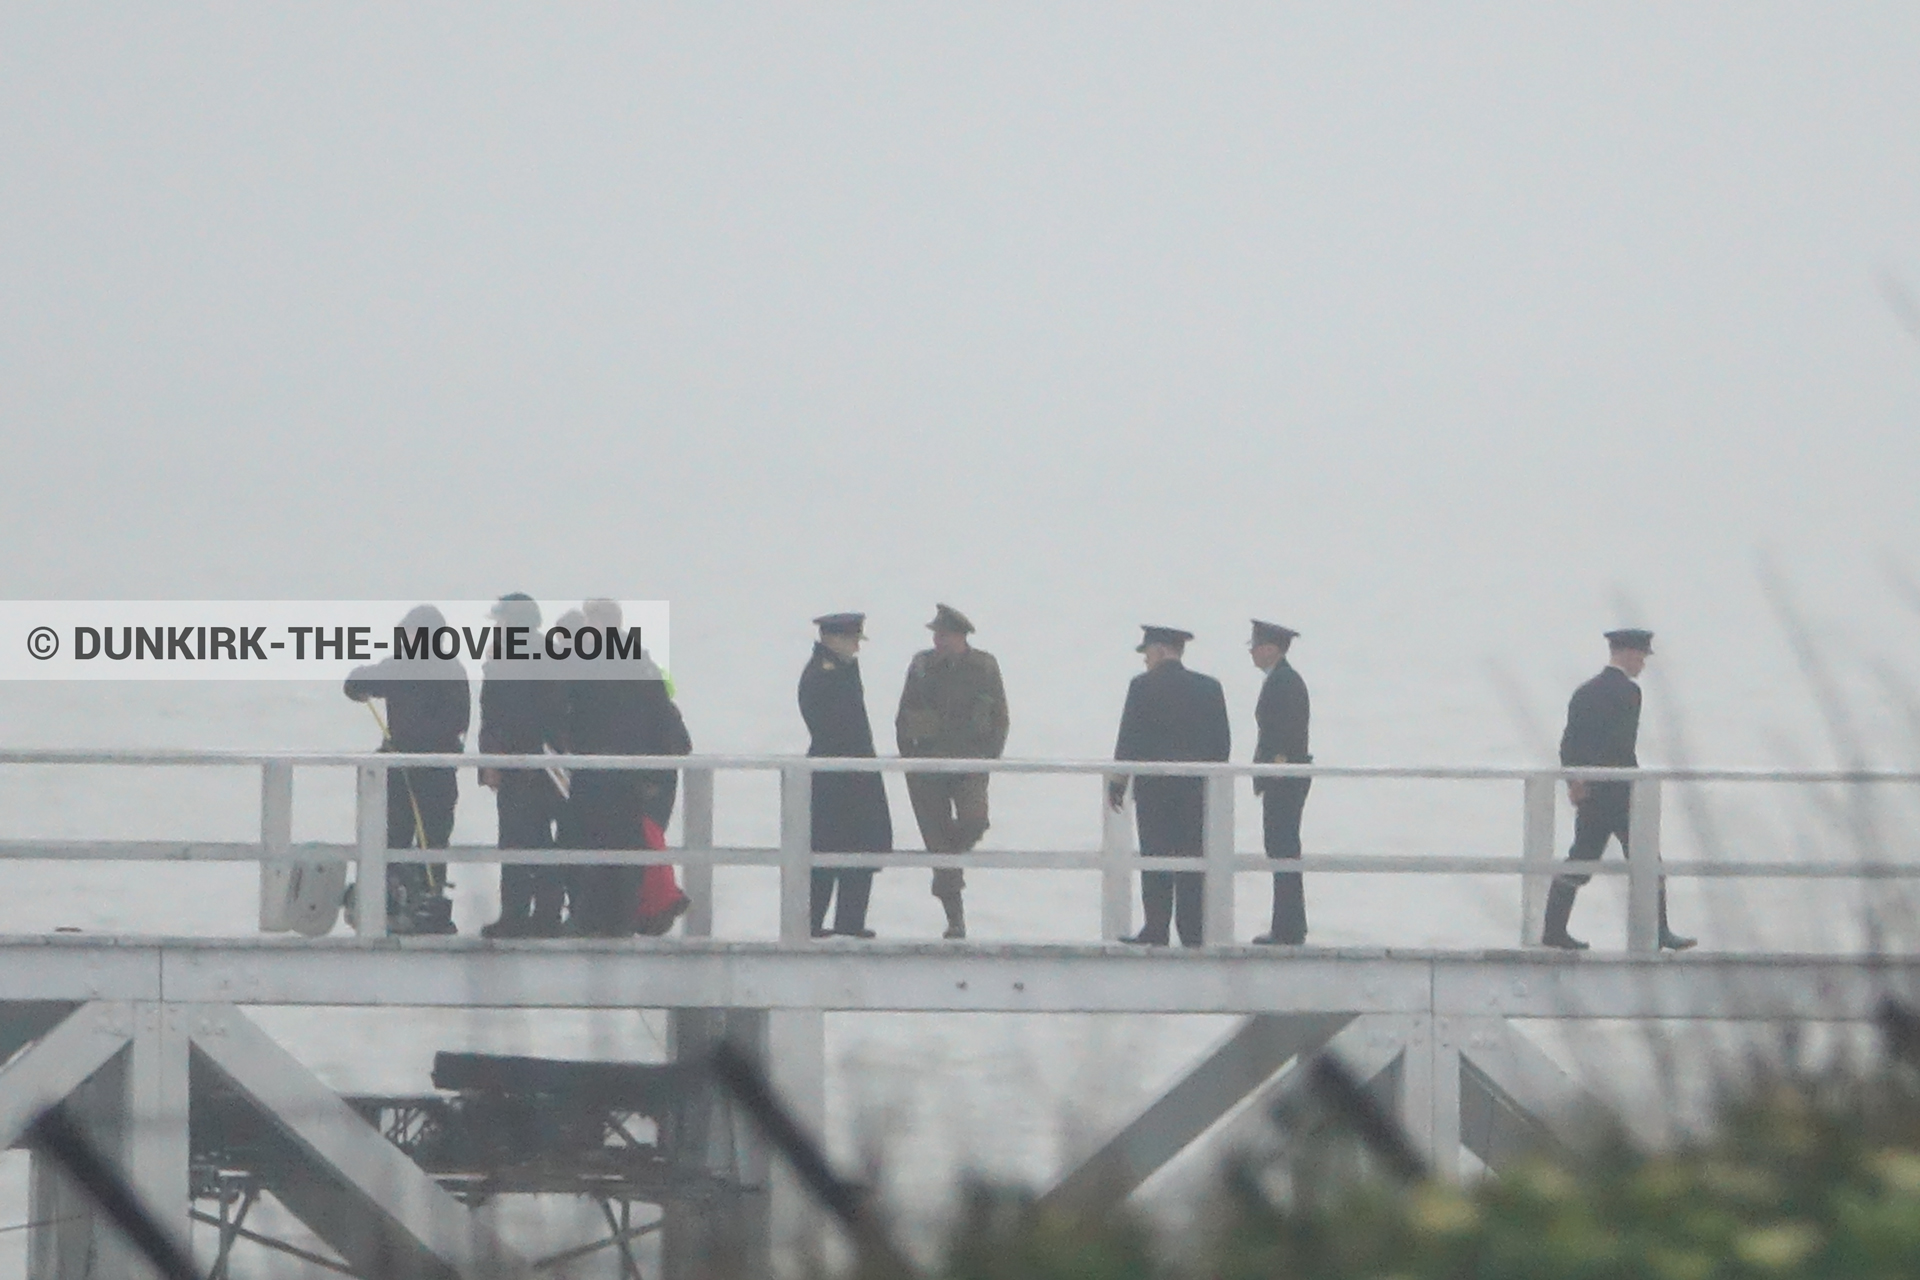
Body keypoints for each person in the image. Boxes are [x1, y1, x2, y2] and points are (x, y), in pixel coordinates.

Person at [1543, 628, 1696, 952]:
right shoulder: (1629, 692)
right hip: (1619, 793)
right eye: (1641, 656)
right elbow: (1622, 747)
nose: (1643, 663)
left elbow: (1569, 743)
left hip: (1590, 793)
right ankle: (1658, 932)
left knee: (1580, 859)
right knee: (1648, 862)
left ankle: (1552, 930)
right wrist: (1633, 784)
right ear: (1628, 653)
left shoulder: (1584, 692)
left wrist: (1575, 782)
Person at [564, 599, 693, 937]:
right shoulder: (636, 662)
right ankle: (611, 919)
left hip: (612, 775)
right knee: (613, 850)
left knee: (606, 849)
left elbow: (637, 719)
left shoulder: (613, 663)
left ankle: (604, 920)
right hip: (616, 774)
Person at [343, 602, 469, 934]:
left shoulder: (418, 668)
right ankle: (409, 903)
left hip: (428, 770)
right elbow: (356, 682)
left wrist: (408, 746)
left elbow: (453, 724)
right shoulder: (440, 668)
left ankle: (421, 904)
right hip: (417, 771)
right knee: (414, 840)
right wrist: (360, 686)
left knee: (422, 840)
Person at [1107, 625, 1231, 946]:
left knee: (1155, 858)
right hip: (1195, 791)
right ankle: (1192, 932)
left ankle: (1156, 928)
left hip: (1154, 790)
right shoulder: (1210, 688)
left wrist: (1118, 784)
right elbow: (1222, 746)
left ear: (1160, 651)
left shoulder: (1141, 687)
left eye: (1147, 653)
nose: (1145, 661)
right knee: (1192, 860)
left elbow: (1128, 740)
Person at [895, 603, 1010, 940]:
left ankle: (948, 862)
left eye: (944, 635)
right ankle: (955, 919)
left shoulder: (984, 666)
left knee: (974, 820)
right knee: (938, 840)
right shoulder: (921, 666)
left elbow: (1000, 717)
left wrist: (988, 760)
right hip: (926, 767)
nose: (938, 641)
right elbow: (904, 715)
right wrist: (910, 761)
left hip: (969, 765)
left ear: (961, 637)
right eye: (936, 635)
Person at [477, 594, 568, 938]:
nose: (496, 627)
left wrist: (496, 759)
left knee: (517, 840)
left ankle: (518, 915)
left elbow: (505, 716)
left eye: (499, 621)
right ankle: (545, 914)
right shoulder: (543, 655)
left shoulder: (515, 659)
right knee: (540, 841)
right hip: (543, 766)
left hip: (525, 767)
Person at [800, 613, 892, 938]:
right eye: (852, 639)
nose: (856, 647)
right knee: (828, 852)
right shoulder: (823, 675)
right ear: (832, 638)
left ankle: (848, 923)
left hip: (854, 776)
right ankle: (815, 924)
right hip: (837, 779)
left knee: (859, 849)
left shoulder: (841, 670)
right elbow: (836, 730)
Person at [1249, 620, 1310, 945]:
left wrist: (1272, 771)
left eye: (1256, 646)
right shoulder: (1282, 680)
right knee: (1281, 849)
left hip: (1284, 779)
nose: (1252, 652)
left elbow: (1283, 736)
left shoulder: (1283, 682)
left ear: (1271, 648)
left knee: (1283, 848)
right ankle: (1288, 924)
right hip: (1282, 777)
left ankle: (1287, 927)